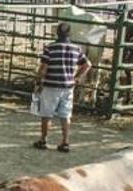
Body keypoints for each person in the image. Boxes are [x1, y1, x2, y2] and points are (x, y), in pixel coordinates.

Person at [33, 22, 91, 153]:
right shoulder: (76, 48)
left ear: (57, 33)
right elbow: (87, 64)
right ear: (70, 34)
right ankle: (65, 142)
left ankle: (43, 140)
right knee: (65, 115)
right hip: (68, 86)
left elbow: (43, 68)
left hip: (51, 85)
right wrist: (76, 77)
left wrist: (38, 81)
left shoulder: (50, 48)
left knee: (46, 114)